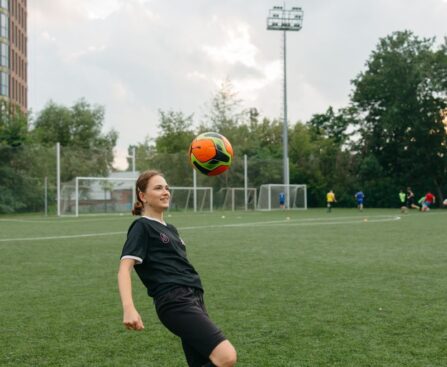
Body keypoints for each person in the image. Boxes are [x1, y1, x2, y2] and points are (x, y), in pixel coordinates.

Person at [118, 170, 237, 367]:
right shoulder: (142, 227)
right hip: (174, 300)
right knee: (226, 356)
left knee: (205, 361)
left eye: (167, 188)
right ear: (142, 196)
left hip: (195, 298)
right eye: (158, 188)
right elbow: (124, 269)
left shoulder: (171, 229)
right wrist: (129, 308)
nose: (165, 192)